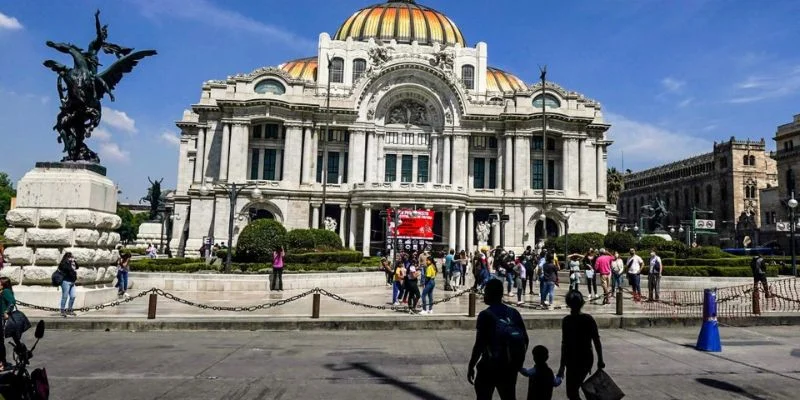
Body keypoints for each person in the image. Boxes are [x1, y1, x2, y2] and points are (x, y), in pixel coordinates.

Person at [468, 279, 529, 400]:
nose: (484, 295)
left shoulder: (485, 315)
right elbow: (525, 339)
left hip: (489, 366)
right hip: (509, 367)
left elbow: (479, 344)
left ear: (491, 294)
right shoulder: (513, 313)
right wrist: (517, 361)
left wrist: (471, 365)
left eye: (485, 292)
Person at [557, 290, 605, 400]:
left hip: (572, 359)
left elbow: (565, 344)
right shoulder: (588, 319)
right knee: (573, 390)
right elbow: (596, 341)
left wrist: (562, 366)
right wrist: (600, 359)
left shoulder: (567, 321)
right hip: (586, 358)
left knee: (572, 391)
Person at [0, 277, 20, 371]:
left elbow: (12, 302)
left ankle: (2, 363)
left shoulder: (6, 291)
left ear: (3, 284)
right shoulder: (2, 292)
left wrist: (7, 312)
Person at [58, 252, 78, 317]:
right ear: (66, 257)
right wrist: (69, 263)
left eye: (71, 257)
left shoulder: (72, 263)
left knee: (73, 296)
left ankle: (69, 310)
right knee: (65, 296)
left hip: (72, 282)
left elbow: (77, 267)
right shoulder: (63, 263)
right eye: (69, 257)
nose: (71, 258)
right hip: (65, 282)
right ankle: (62, 310)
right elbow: (68, 269)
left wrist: (74, 261)